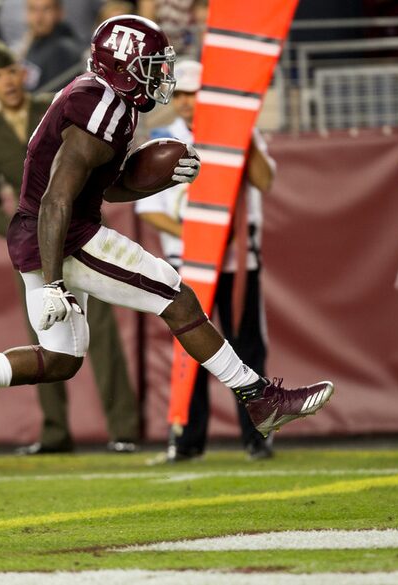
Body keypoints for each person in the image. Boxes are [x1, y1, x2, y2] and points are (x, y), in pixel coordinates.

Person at [0, 15, 334, 454]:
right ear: (123, 68)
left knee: (61, 359)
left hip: (45, 233)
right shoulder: (101, 106)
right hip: (66, 234)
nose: (159, 76)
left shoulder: (103, 99)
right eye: (151, 66)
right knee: (176, 296)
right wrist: (53, 283)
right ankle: (260, 398)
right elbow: (57, 198)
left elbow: (101, 184)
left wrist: (157, 181)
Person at [0, 39, 140, 454]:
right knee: (45, 338)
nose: (7, 81)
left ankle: (124, 429)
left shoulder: (54, 105)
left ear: (22, 73)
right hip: (34, 243)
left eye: (12, 71)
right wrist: (17, 232)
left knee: (99, 333)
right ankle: (54, 432)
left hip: (77, 231)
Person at [135, 60, 275, 462]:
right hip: (188, 261)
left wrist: (242, 137)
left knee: (247, 348)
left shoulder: (239, 132)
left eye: (193, 94)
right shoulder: (162, 138)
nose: (185, 103)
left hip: (237, 262)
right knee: (190, 349)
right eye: (179, 94)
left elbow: (265, 181)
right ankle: (186, 438)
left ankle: (257, 436)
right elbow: (150, 209)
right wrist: (201, 237)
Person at [21, 0, 83, 91]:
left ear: (60, 12)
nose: (38, 18)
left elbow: (53, 100)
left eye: (46, 9)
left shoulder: (63, 50)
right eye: (33, 9)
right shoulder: (37, 39)